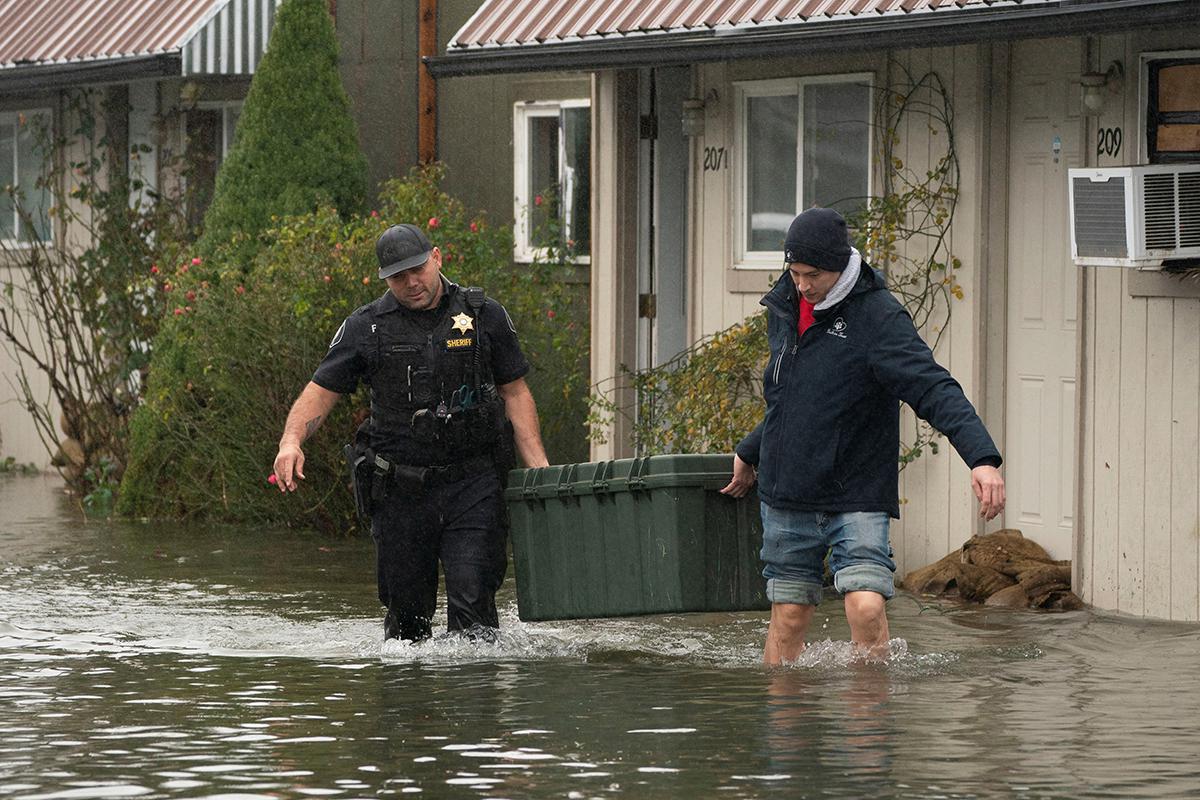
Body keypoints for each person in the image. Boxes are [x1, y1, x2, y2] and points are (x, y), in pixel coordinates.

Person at [720, 207, 1005, 664]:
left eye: (812, 274)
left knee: (866, 607)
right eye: (793, 272)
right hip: (789, 488)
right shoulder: (786, 306)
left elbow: (933, 386)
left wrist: (981, 458)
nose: (802, 285)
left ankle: (867, 734)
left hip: (856, 490)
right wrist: (750, 451)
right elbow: (794, 396)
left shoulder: (878, 317)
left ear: (840, 264)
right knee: (789, 616)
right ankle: (784, 732)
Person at [272, 223, 549, 642]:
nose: (412, 283)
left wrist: (539, 468)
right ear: (385, 279)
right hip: (400, 490)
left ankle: (473, 701)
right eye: (398, 277)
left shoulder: (482, 314)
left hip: (473, 484)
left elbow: (515, 392)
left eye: (418, 269)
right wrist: (291, 441)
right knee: (407, 625)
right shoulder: (366, 327)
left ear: (436, 257)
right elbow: (321, 392)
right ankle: (409, 704)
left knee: (473, 611)